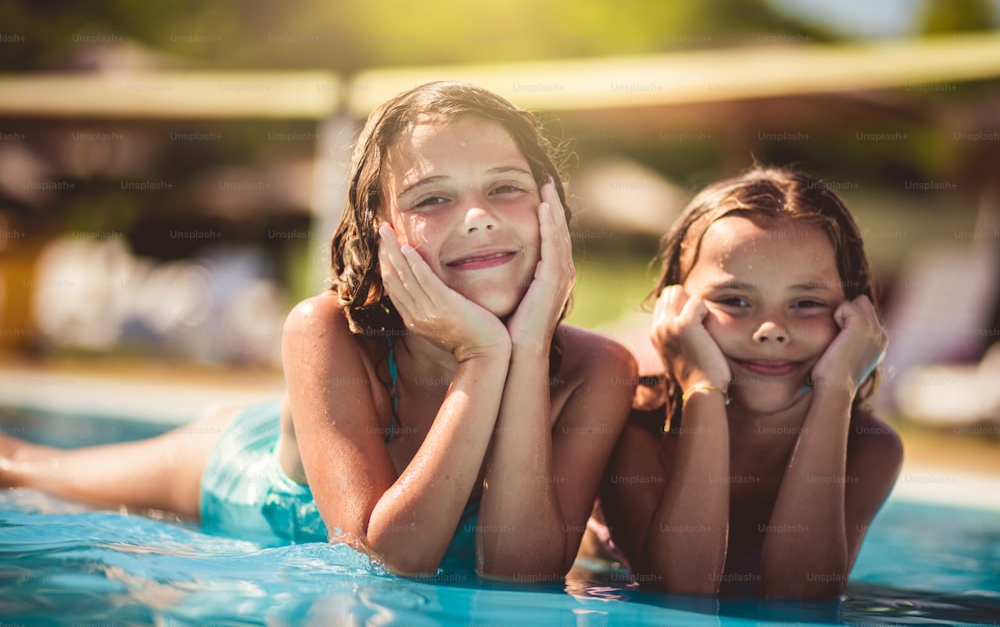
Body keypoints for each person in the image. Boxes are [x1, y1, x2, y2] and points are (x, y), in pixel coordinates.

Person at [0, 81, 637, 580]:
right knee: (31, 470)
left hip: (327, 420)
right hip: (241, 463)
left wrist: (524, 352)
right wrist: (481, 355)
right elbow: (386, 560)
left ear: (552, 208)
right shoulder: (325, 329)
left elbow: (521, 577)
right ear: (375, 231)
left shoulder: (597, 372)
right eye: (431, 199)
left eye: (506, 187)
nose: (476, 218)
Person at [597, 166, 903, 600]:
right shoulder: (633, 430)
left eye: (806, 302)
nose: (771, 330)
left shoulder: (870, 449)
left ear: (855, 315)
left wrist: (839, 388)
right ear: (676, 309)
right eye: (735, 300)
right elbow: (682, 592)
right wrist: (702, 386)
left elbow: (800, 598)